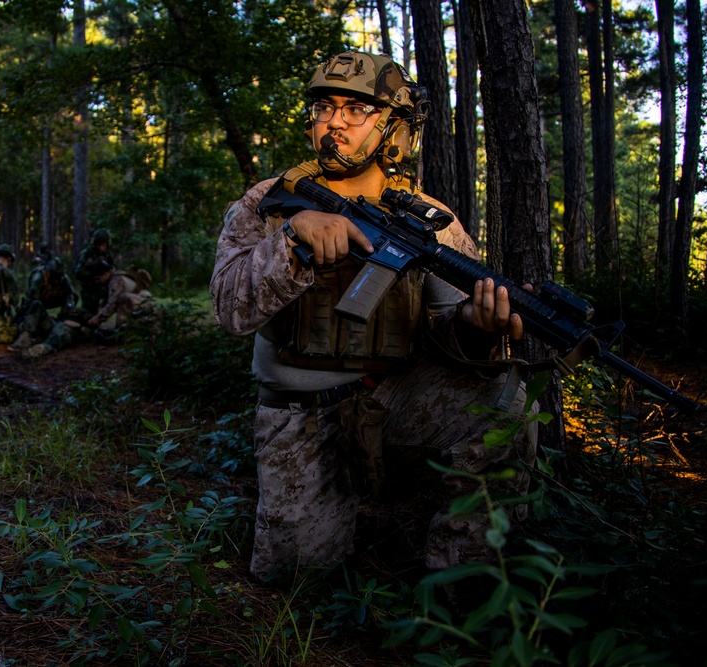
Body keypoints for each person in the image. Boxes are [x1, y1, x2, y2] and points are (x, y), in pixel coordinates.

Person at [209, 51, 537, 582]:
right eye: (323, 106)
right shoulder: (269, 204)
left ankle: (465, 586)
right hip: (302, 416)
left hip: (397, 402)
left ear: (393, 128)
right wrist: (293, 242)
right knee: (296, 582)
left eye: (355, 109)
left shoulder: (432, 222)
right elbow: (228, 309)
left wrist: (477, 328)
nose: (333, 121)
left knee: (504, 406)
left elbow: (450, 342)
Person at [9, 242, 79, 351]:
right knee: (35, 309)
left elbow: (72, 297)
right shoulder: (38, 279)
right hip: (37, 310)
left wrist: (66, 315)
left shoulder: (64, 279)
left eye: (58, 277)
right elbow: (32, 304)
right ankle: (25, 338)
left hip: (59, 318)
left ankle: (57, 328)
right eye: (54, 278)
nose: (56, 281)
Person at [86, 263, 154, 329]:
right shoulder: (114, 279)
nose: (97, 282)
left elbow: (111, 306)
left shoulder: (116, 281)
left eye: (98, 279)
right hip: (140, 302)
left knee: (122, 298)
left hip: (142, 303)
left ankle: (123, 331)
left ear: (106, 274)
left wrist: (94, 321)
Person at [75, 228, 117, 314]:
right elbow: (78, 273)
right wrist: (94, 276)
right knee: (88, 316)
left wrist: (108, 275)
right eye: (99, 245)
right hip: (89, 290)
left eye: (103, 245)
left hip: (104, 288)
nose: (101, 248)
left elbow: (114, 268)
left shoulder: (108, 254)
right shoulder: (86, 254)